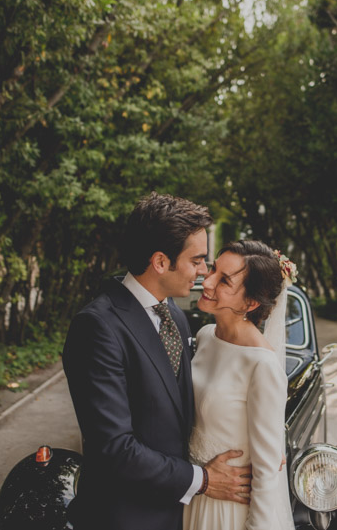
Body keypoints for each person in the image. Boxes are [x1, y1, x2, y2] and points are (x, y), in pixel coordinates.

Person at [63, 193, 252, 530]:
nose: (203, 272)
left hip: (180, 513)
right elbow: (114, 448)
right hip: (126, 517)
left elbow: (183, 411)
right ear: (161, 262)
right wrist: (204, 480)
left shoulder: (174, 316)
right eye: (197, 260)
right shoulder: (97, 327)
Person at [183, 240, 296, 530]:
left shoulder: (262, 366)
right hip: (195, 491)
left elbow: (267, 470)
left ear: (250, 303)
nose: (206, 281)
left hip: (228, 510)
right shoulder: (207, 335)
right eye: (212, 270)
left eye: (224, 281)